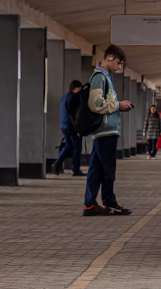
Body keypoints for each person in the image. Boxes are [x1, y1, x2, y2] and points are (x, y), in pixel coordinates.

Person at [83, 45, 133, 216]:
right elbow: (95, 104)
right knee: (108, 171)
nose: (119, 67)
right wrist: (118, 105)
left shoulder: (105, 78)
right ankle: (110, 203)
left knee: (96, 170)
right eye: (118, 63)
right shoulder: (100, 77)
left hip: (103, 131)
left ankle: (90, 205)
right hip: (106, 131)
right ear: (109, 57)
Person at [52, 80, 84, 175]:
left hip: (64, 125)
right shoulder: (74, 98)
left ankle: (57, 164)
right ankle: (76, 169)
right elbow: (75, 115)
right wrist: (78, 128)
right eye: (80, 88)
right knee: (77, 147)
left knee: (68, 146)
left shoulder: (65, 97)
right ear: (77, 88)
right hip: (72, 127)